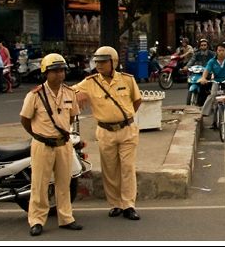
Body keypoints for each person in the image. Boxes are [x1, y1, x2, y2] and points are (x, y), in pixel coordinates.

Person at [73, 46, 142, 221]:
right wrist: (78, 94)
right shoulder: (90, 82)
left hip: (127, 130)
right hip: (105, 131)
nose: (99, 65)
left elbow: (137, 100)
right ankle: (115, 204)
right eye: (97, 62)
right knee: (109, 170)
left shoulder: (127, 80)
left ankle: (129, 205)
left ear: (114, 62)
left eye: (103, 61)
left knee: (127, 168)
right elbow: (68, 92)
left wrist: (125, 117)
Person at [20, 53, 82, 236]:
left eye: (62, 70)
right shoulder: (35, 95)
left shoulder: (70, 93)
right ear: (45, 73)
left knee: (64, 183)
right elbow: (25, 119)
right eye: (54, 71)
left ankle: (66, 217)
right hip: (42, 145)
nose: (59, 74)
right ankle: (37, 220)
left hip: (63, 144)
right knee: (39, 184)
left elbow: (72, 117)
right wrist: (38, 135)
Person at [199, 42, 225, 128]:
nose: (221, 52)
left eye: (223, 50)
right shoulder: (212, 61)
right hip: (216, 81)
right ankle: (201, 115)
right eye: (219, 50)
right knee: (212, 95)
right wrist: (203, 78)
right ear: (216, 51)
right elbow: (206, 70)